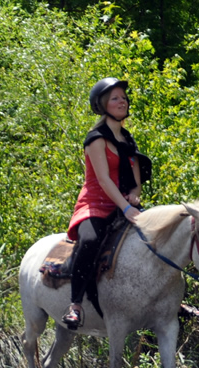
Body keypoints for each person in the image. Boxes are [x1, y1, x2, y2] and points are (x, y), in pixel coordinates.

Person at [61, 78, 146, 329]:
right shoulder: (95, 138)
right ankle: (75, 305)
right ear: (102, 105)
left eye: (124, 97)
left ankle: (164, 299)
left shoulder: (129, 141)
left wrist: (135, 196)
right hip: (96, 204)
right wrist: (127, 208)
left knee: (159, 236)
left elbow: (137, 182)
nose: (122, 101)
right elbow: (104, 180)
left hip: (123, 204)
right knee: (89, 242)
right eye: (115, 98)